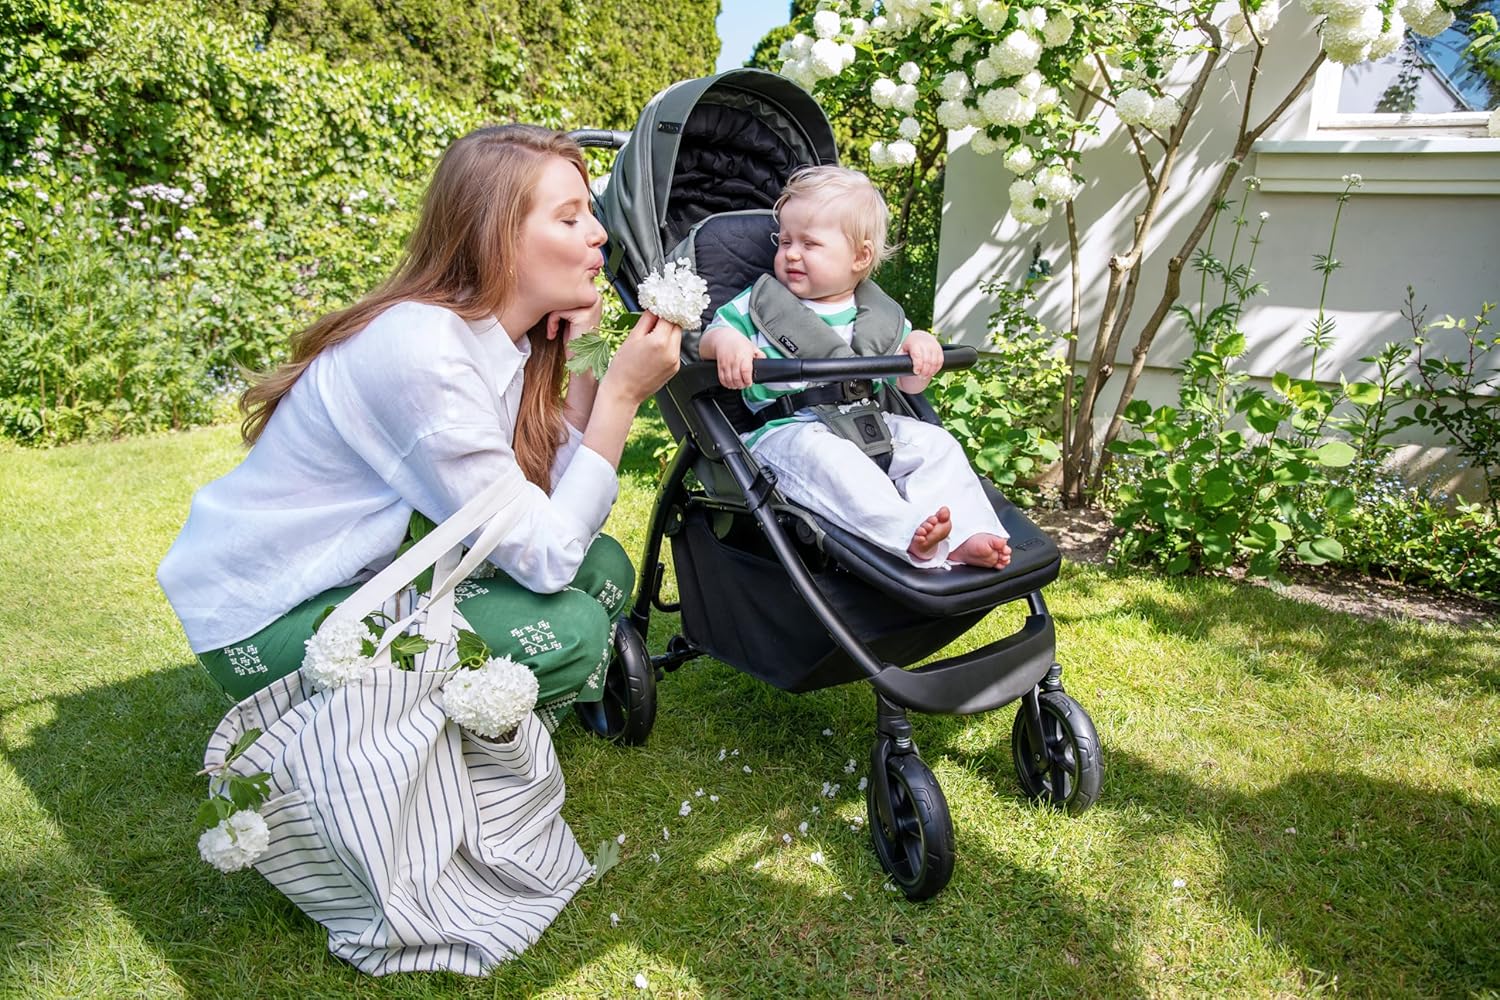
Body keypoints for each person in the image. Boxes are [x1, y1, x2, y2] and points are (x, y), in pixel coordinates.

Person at [158, 125, 682, 727]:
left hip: (375, 575)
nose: (598, 234)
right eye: (569, 220)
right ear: (497, 240)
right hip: (277, 610)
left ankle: (513, 704)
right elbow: (547, 556)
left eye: (590, 213)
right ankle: (419, 752)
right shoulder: (423, 352)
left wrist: (588, 362)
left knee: (606, 566)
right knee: (575, 628)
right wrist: (622, 397)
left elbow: (544, 513)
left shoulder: (496, 337)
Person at [697, 165, 1011, 570]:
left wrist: (921, 347)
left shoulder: (876, 315)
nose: (791, 253)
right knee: (833, 463)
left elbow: (909, 384)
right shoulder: (758, 304)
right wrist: (728, 343)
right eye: (785, 240)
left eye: (810, 244)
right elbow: (708, 337)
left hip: (868, 425)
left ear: (860, 257)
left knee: (937, 446)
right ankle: (910, 537)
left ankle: (967, 533)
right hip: (788, 432)